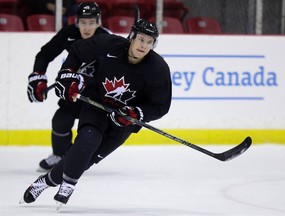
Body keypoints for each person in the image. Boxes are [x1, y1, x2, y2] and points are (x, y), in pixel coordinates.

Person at [21, 19, 172, 208]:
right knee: (87, 140)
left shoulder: (158, 69)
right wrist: (68, 75)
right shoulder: (109, 44)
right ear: (132, 37)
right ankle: (69, 185)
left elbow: (160, 106)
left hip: (122, 121)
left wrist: (136, 113)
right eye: (141, 39)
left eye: (150, 42)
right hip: (96, 105)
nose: (144, 45)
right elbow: (76, 50)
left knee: (84, 158)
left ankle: (44, 182)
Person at [26, 2, 111, 172]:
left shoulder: (106, 38)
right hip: (72, 89)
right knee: (60, 120)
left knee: (89, 129)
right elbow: (45, 54)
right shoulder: (69, 34)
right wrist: (38, 76)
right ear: (77, 22)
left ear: (98, 22)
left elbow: (116, 67)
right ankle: (60, 155)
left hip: (95, 93)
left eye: (91, 22)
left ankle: (78, 158)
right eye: (83, 22)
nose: (87, 28)